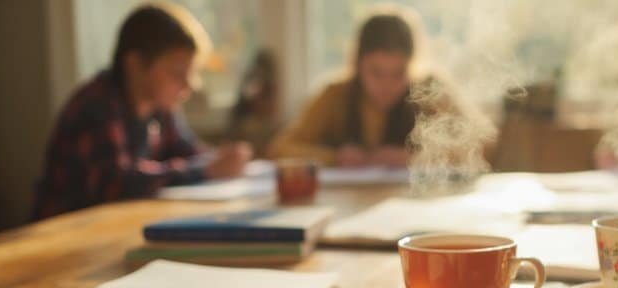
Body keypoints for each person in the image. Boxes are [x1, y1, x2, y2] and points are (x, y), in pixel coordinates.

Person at [33, 3, 251, 219]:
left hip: (113, 227)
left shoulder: (160, 108)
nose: (190, 84)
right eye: (177, 73)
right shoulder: (96, 106)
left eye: (192, 73)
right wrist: (205, 171)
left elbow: (187, 151)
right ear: (135, 65)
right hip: (64, 236)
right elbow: (117, 183)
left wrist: (221, 160)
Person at [267, 9, 440, 168]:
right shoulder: (335, 95)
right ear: (358, 64)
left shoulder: (430, 93)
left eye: (398, 73)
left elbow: (466, 148)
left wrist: (416, 156)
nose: (387, 85)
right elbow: (279, 149)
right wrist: (334, 157)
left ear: (413, 65)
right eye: (376, 72)